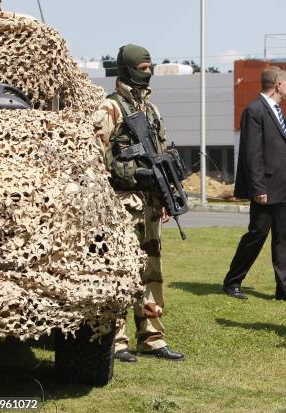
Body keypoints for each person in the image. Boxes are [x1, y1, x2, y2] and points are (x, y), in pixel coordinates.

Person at [92, 44, 185, 362]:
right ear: (128, 68)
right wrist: (129, 171)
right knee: (120, 271)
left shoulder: (152, 111)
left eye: (150, 67)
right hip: (120, 204)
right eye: (142, 68)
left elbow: (160, 155)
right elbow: (94, 159)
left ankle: (152, 336)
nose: (148, 72)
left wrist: (164, 196)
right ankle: (115, 341)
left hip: (149, 206)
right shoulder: (109, 109)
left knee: (152, 272)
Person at [222, 66, 286, 305]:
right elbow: (252, 153)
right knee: (257, 234)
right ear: (278, 85)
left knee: (285, 237)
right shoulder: (255, 110)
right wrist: (258, 188)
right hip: (267, 187)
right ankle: (232, 281)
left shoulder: (276, 110)